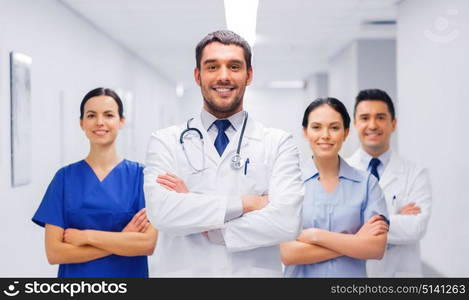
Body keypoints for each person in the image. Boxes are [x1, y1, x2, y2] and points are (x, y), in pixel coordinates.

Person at [143, 30, 304, 277]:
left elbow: (287, 221)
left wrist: (210, 224)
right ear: (198, 75)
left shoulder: (278, 143)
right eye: (212, 67)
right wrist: (247, 204)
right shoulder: (165, 142)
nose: (224, 76)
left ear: (249, 75)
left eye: (234, 66)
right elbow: (162, 213)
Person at [32, 87, 157, 278]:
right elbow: (55, 253)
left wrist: (86, 237)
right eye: (91, 115)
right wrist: (123, 239)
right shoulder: (64, 178)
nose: (100, 122)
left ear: (121, 121)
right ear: (81, 123)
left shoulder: (141, 177)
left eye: (108, 115)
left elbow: (147, 245)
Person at [281, 98, 389, 278]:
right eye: (316, 127)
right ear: (305, 132)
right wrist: (355, 242)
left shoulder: (367, 184)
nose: (325, 135)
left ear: (346, 133)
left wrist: (315, 236)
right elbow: (287, 254)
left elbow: (376, 248)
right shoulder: (288, 183)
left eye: (334, 127)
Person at [347, 89, 432, 277]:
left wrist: (358, 224)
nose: (372, 125)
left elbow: (415, 228)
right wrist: (395, 218)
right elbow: (334, 228)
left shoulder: (416, 173)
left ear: (393, 123)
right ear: (354, 124)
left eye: (380, 117)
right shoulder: (340, 171)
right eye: (364, 117)